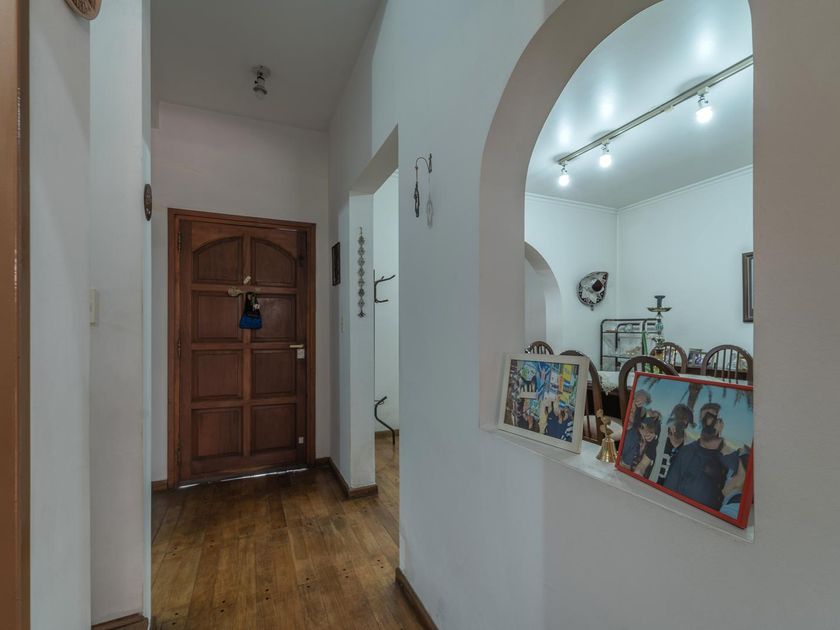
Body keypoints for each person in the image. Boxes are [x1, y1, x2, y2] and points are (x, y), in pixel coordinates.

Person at [663, 402, 730, 510]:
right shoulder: (686, 452)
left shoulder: (726, 461)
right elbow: (668, 490)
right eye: (703, 418)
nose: (707, 422)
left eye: (711, 417)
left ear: (720, 423)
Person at [654, 404, 694, 485]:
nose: (681, 422)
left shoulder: (690, 446)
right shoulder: (659, 433)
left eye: (685, 420)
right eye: (678, 418)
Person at [620, 412, 661, 477]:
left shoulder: (652, 447)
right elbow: (623, 465)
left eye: (650, 428)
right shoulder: (631, 436)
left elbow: (641, 468)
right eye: (641, 427)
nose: (645, 431)